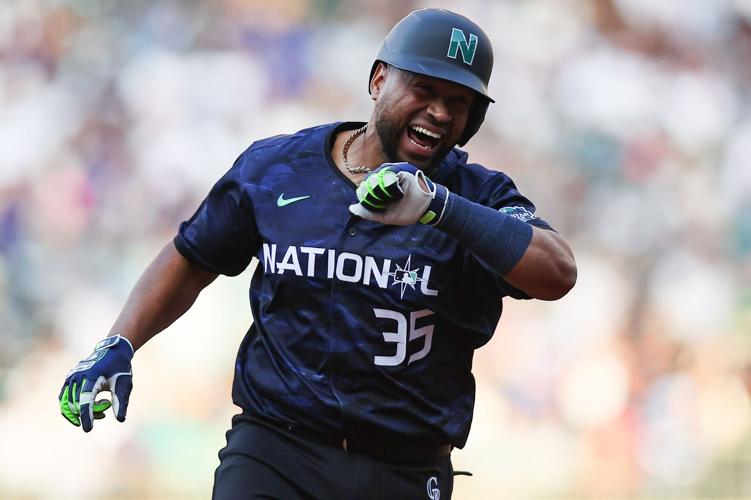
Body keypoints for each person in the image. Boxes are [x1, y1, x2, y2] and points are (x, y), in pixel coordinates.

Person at [58, 8, 576, 500]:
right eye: (424, 89)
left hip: (405, 467)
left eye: (459, 101)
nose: (440, 112)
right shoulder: (279, 168)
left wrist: (441, 207)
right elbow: (194, 256)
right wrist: (119, 342)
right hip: (275, 448)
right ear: (378, 81)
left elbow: (558, 273)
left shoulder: (476, 197)